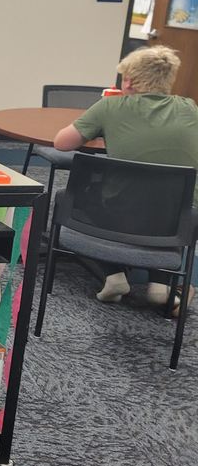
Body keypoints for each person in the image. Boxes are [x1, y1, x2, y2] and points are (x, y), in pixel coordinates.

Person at [53, 45, 198, 312]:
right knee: (165, 196)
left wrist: (102, 127)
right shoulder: (189, 108)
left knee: (74, 196)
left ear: (129, 80)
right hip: (175, 222)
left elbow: (62, 143)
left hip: (118, 216)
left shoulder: (111, 106)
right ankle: (160, 286)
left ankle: (113, 275)